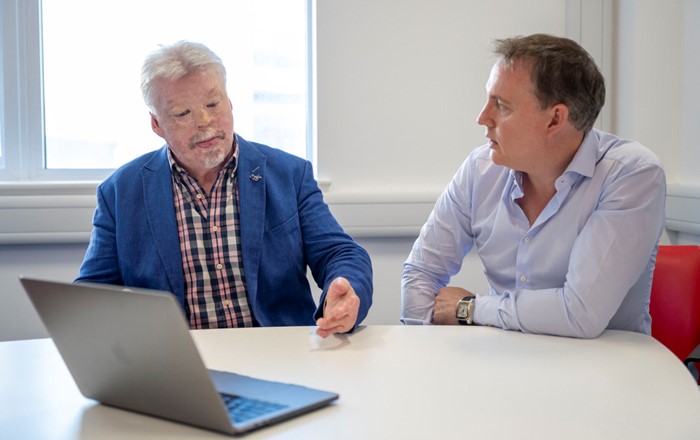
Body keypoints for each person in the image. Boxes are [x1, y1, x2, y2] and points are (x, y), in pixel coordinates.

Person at [76, 40, 373, 338]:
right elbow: (91, 295)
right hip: (179, 361)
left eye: (213, 104)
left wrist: (348, 290)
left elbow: (340, 253)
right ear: (156, 124)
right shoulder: (120, 193)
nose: (205, 122)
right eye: (183, 113)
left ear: (229, 103)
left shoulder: (289, 174)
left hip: (280, 351)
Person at [401, 34, 666, 338]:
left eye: (500, 105)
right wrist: (421, 349)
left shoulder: (632, 175)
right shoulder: (480, 169)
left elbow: (579, 313)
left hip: (603, 368)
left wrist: (471, 309)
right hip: (504, 362)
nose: (482, 118)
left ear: (555, 119)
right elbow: (421, 272)